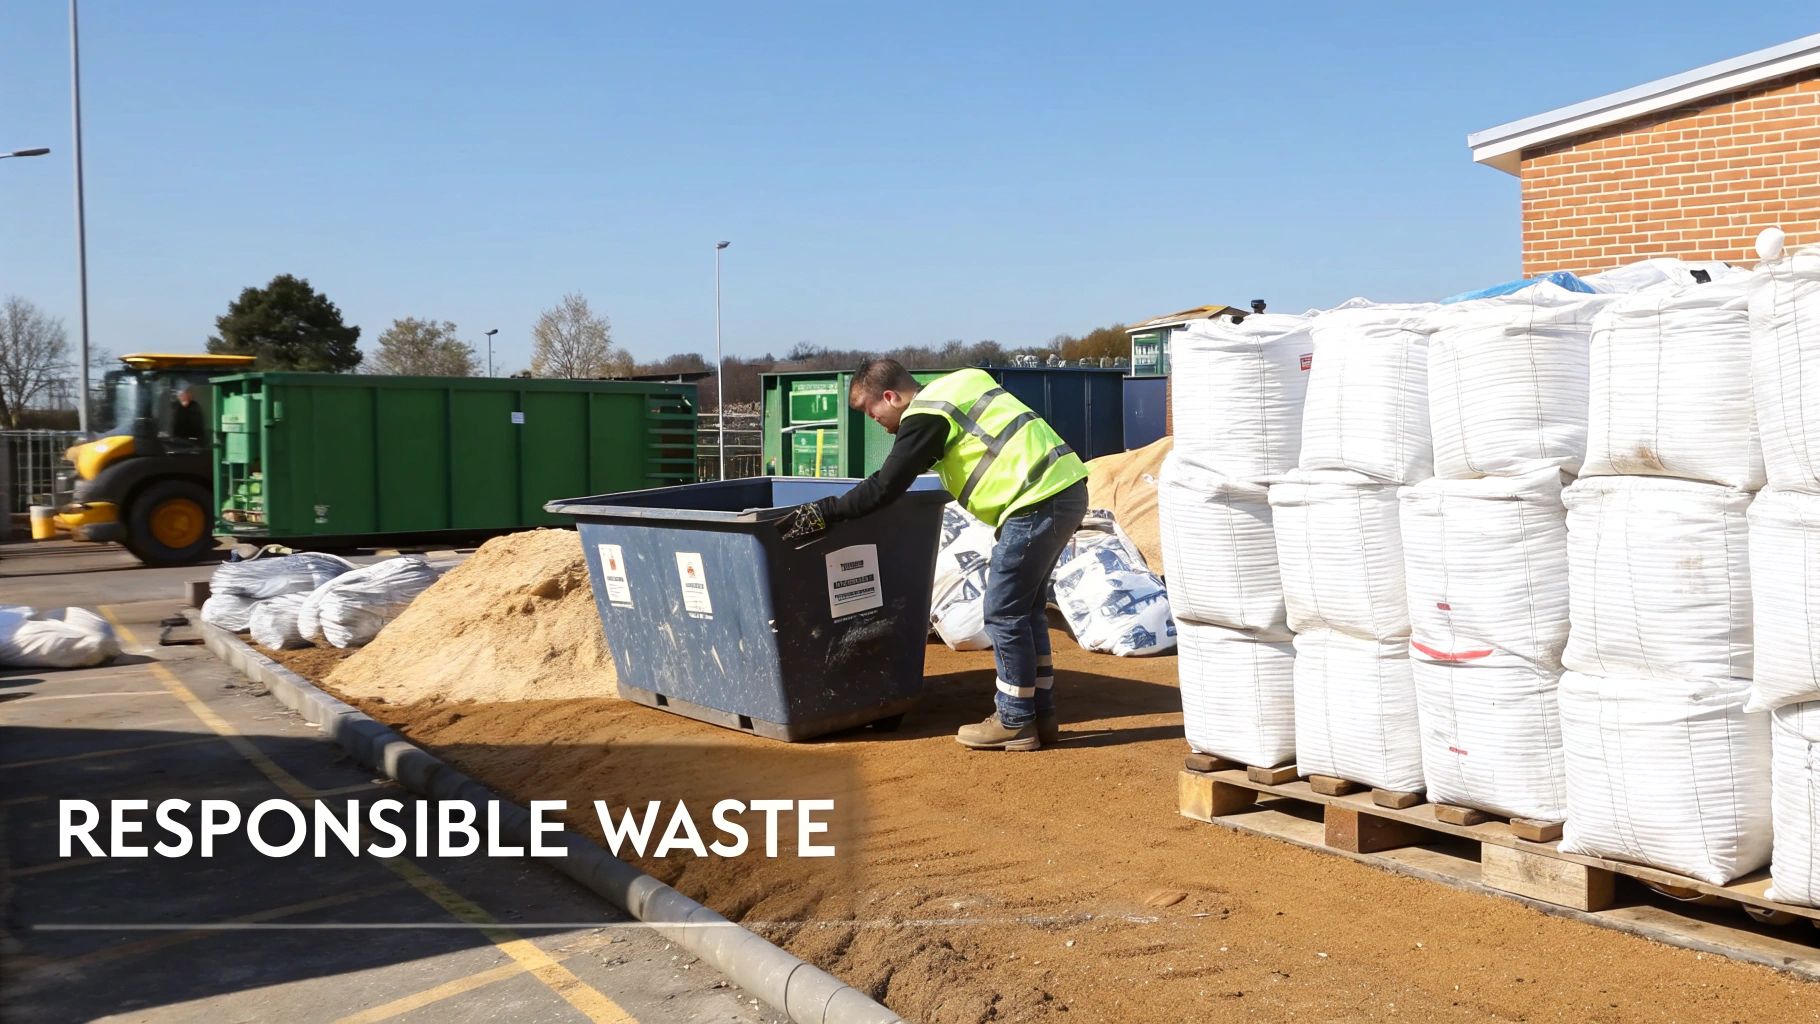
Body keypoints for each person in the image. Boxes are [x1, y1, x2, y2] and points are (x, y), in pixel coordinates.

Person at [775, 359, 1089, 751]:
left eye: (872, 412)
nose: (875, 421)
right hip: (1062, 488)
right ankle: (1040, 714)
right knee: (1023, 610)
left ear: (890, 397)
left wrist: (828, 511)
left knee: (1004, 611)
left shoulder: (926, 416)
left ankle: (1014, 719)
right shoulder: (961, 384)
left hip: (1035, 500)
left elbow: (886, 486)